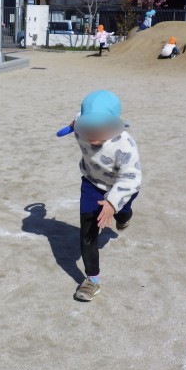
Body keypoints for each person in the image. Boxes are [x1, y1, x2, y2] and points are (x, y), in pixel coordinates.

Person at [68, 90, 142, 302]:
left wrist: (112, 203)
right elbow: (77, 119)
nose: (92, 133)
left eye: (99, 127)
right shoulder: (80, 129)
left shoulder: (124, 144)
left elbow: (132, 178)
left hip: (122, 187)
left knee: (122, 214)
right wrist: (75, 124)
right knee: (88, 232)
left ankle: (124, 216)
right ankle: (92, 280)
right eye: (88, 126)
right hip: (92, 183)